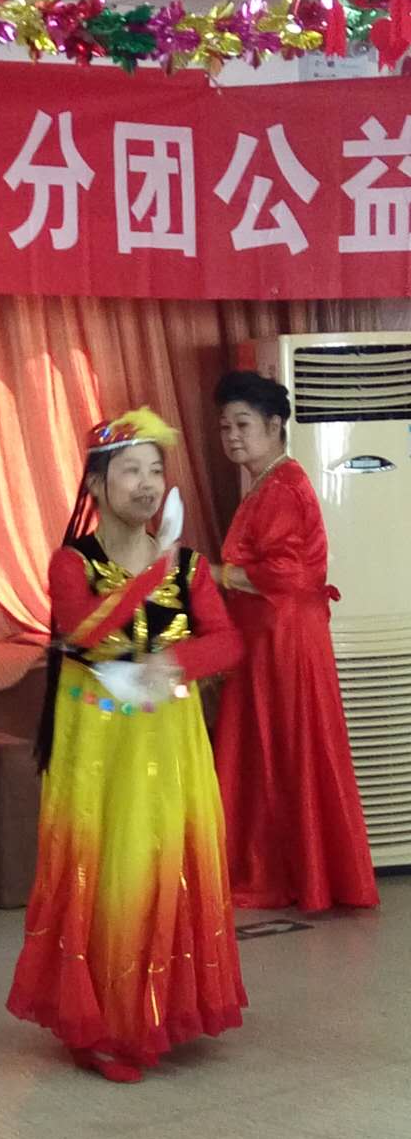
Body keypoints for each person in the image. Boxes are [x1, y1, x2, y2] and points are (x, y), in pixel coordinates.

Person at [7, 408, 247, 1083]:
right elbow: (82, 630)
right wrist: (152, 571)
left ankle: (158, 1011)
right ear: (96, 483)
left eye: (155, 471)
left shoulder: (190, 566)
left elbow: (229, 641)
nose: (147, 484)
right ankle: (103, 1027)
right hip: (97, 743)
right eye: (131, 471)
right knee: (106, 868)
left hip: (169, 738)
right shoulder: (72, 562)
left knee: (163, 860)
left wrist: (176, 662)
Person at [211, 370, 378, 913]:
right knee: (277, 749)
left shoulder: (282, 485)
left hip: (284, 635)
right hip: (273, 633)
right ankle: (301, 872)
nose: (232, 436)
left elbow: (287, 573)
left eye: (242, 424)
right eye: (224, 427)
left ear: (275, 424)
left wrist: (212, 573)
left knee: (284, 748)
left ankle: (293, 875)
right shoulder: (268, 482)